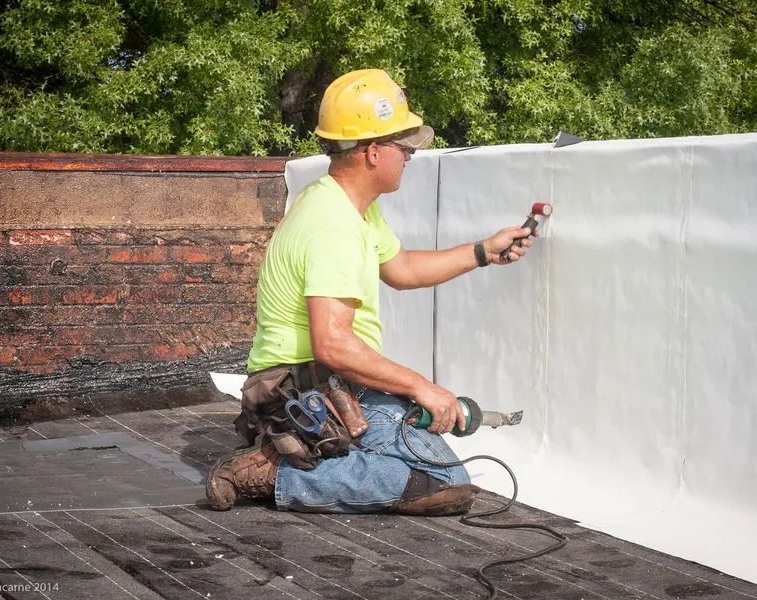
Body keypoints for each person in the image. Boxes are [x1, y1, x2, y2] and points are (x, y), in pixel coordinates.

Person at [206, 68, 532, 515]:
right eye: (405, 147)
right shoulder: (333, 225)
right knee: (442, 480)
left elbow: (401, 268)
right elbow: (333, 343)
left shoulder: (346, 205)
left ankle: (309, 455)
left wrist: (482, 251)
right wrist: (424, 389)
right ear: (373, 152)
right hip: (301, 390)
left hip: (323, 382)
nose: (411, 156)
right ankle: (270, 471)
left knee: (419, 471)